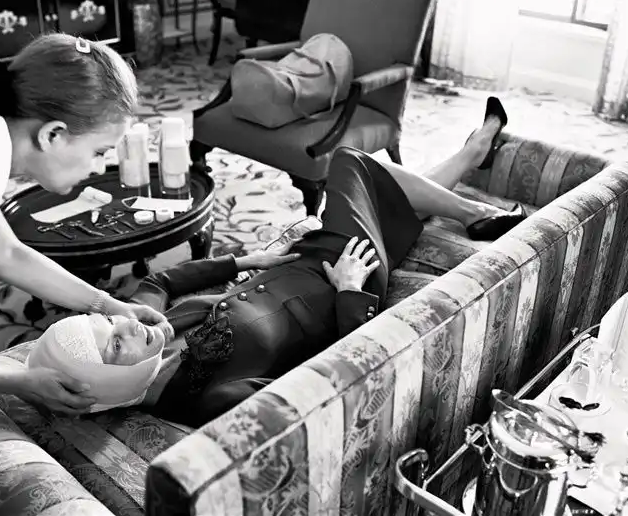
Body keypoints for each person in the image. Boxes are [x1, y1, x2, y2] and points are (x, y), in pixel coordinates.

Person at [28, 98, 526, 426]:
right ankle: (478, 213)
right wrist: (351, 292)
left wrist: (245, 259)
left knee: (393, 198)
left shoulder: (149, 328)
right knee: (351, 160)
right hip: (347, 273)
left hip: (301, 258)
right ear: (111, 383)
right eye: (115, 343)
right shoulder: (211, 400)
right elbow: (333, 383)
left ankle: (474, 151)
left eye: (109, 324)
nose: (126, 325)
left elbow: (158, 280)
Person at [0, 34, 168, 416]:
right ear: (52, 134)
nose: (98, 168)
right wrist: (20, 380)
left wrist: (109, 304)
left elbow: (6, 253)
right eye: (99, 151)